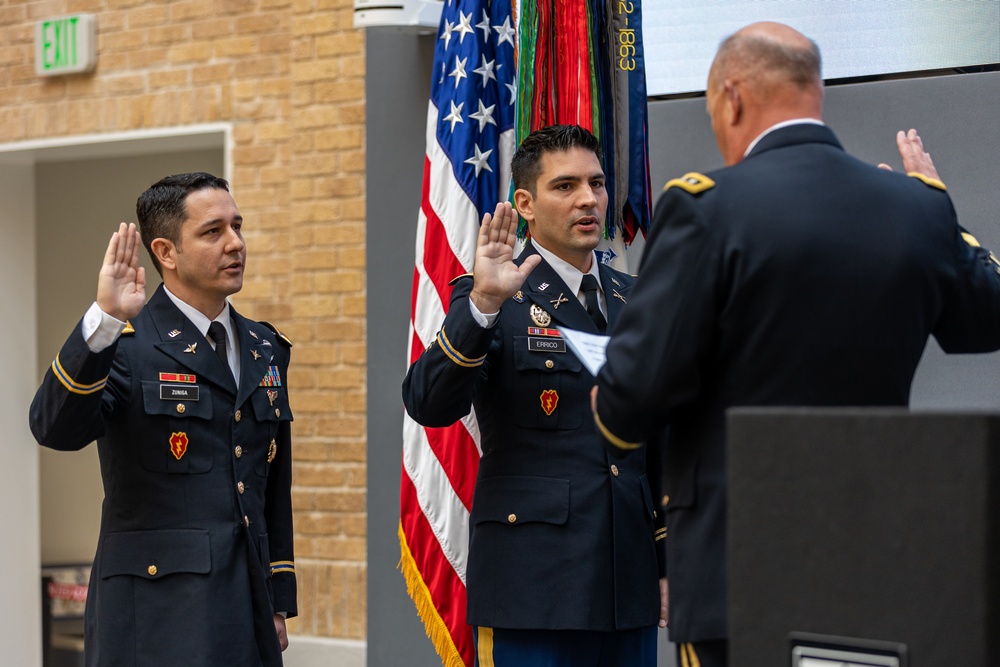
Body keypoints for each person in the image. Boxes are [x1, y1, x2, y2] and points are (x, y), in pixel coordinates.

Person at [591, 22, 1000, 667]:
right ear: (815, 91)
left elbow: (632, 400)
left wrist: (610, 401)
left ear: (731, 99)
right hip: (873, 546)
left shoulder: (705, 207)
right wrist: (942, 211)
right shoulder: (915, 208)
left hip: (738, 557)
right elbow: (987, 320)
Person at [402, 125, 666, 666]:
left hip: (629, 582)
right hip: (535, 582)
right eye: (565, 186)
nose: (588, 199)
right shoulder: (492, 293)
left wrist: (667, 560)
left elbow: (658, 441)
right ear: (525, 202)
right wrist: (482, 307)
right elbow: (428, 403)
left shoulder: (639, 298)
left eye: (596, 183)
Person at [29, 173, 297, 667]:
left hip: (248, 607)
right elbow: (53, 427)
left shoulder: (264, 347)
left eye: (237, 226)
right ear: (166, 252)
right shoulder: (125, 344)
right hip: (155, 614)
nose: (236, 243)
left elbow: (270, 481)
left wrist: (279, 596)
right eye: (213, 231)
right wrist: (105, 320)